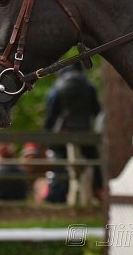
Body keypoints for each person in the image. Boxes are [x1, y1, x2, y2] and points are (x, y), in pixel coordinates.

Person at [43, 63, 102, 203]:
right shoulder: (89, 86)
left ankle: (58, 196)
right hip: (85, 132)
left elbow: (50, 114)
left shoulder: (58, 86)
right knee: (94, 161)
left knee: (60, 163)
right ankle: (98, 190)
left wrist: (46, 133)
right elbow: (97, 111)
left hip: (63, 132)